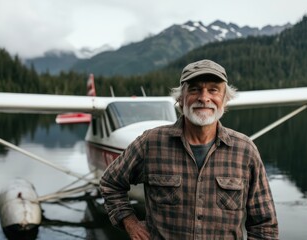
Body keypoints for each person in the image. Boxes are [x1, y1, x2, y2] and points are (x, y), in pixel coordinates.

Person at [100, 59, 279, 239]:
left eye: (213, 90)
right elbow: (110, 183)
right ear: (180, 99)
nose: (204, 97)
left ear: (225, 100)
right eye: (194, 89)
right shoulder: (150, 142)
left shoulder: (245, 150)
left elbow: (264, 224)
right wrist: (130, 222)